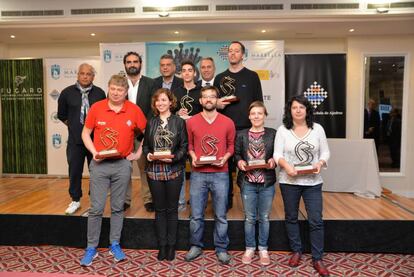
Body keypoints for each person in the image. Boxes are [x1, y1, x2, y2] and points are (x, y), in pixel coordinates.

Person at [79, 75, 147, 266]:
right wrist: (94, 152)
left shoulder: (133, 110)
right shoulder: (97, 107)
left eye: (121, 90)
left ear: (126, 92)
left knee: (118, 207)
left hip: (122, 165)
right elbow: (85, 132)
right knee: (96, 208)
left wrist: (137, 153)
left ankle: (114, 244)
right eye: (113, 89)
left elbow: (147, 132)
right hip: (99, 165)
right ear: (108, 88)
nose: (116, 93)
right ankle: (91, 247)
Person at [273, 95, 330, 277]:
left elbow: (326, 151)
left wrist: (320, 163)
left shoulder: (317, 129)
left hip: (313, 182)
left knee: (316, 219)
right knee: (291, 217)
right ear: (289, 111)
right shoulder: (283, 130)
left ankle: (317, 258)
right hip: (289, 181)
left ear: (307, 110)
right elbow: (277, 154)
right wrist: (286, 166)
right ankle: (296, 251)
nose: (298, 110)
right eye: (294, 107)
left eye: (301, 107)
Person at [185, 86, 236, 265]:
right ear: (200, 101)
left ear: (217, 100)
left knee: (221, 215)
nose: (208, 100)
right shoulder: (191, 122)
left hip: (220, 173)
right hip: (198, 174)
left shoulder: (228, 122)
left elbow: (231, 146)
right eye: (205, 97)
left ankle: (221, 248)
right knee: (196, 214)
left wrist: (225, 158)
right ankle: (195, 245)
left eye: (212, 97)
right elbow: (189, 146)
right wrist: (193, 157)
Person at [214, 41, 263, 210]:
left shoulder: (252, 76)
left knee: (246, 166)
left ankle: (248, 201)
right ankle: (226, 201)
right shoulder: (220, 78)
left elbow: (259, 103)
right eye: (230, 51)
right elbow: (212, 104)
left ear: (243, 55)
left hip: (246, 130)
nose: (233, 54)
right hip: (224, 129)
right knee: (225, 166)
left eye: (236, 51)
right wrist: (217, 103)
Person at [142, 88, 188, 261]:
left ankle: (172, 245)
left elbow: (184, 147)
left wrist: (174, 158)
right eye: (157, 101)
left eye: (164, 100)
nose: (160, 103)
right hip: (154, 171)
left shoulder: (179, 122)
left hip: (174, 169)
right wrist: (148, 155)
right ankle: (162, 246)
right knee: (160, 209)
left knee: (172, 209)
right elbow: (146, 146)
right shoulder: (150, 122)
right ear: (154, 104)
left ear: (171, 102)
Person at [57, 63, 106, 215]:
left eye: (88, 74)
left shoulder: (100, 93)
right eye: (82, 73)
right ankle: (75, 200)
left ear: (93, 76)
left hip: (95, 142)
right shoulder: (66, 93)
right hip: (75, 141)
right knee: (75, 171)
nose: (85, 76)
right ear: (78, 75)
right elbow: (62, 115)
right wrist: (75, 127)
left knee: (97, 172)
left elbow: (103, 115)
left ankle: (95, 200)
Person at [234, 101, 276, 266]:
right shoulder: (242, 134)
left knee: (264, 217)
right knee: (250, 218)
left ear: (265, 116)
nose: (256, 116)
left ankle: (263, 249)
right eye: (253, 113)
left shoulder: (273, 133)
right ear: (249, 116)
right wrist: (239, 162)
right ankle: (250, 248)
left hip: (267, 182)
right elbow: (237, 154)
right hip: (248, 182)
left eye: (260, 113)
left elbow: (278, 153)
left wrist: (274, 160)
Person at [123, 51, 156, 212]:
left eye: (135, 61)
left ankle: (148, 199)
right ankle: (125, 199)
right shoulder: (119, 84)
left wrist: (144, 129)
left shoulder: (151, 83)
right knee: (123, 169)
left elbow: (154, 109)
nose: (132, 64)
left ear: (140, 64)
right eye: (129, 62)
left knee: (145, 168)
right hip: (123, 134)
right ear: (125, 65)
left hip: (143, 133)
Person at [174, 60, 202, 211]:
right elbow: (169, 111)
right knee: (179, 169)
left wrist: (194, 118)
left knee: (196, 168)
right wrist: (178, 113)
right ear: (180, 73)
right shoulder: (176, 91)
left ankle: (196, 200)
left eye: (189, 70)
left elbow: (207, 112)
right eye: (183, 70)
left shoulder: (201, 91)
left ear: (194, 73)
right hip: (179, 135)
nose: (186, 73)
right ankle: (180, 202)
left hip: (196, 135)